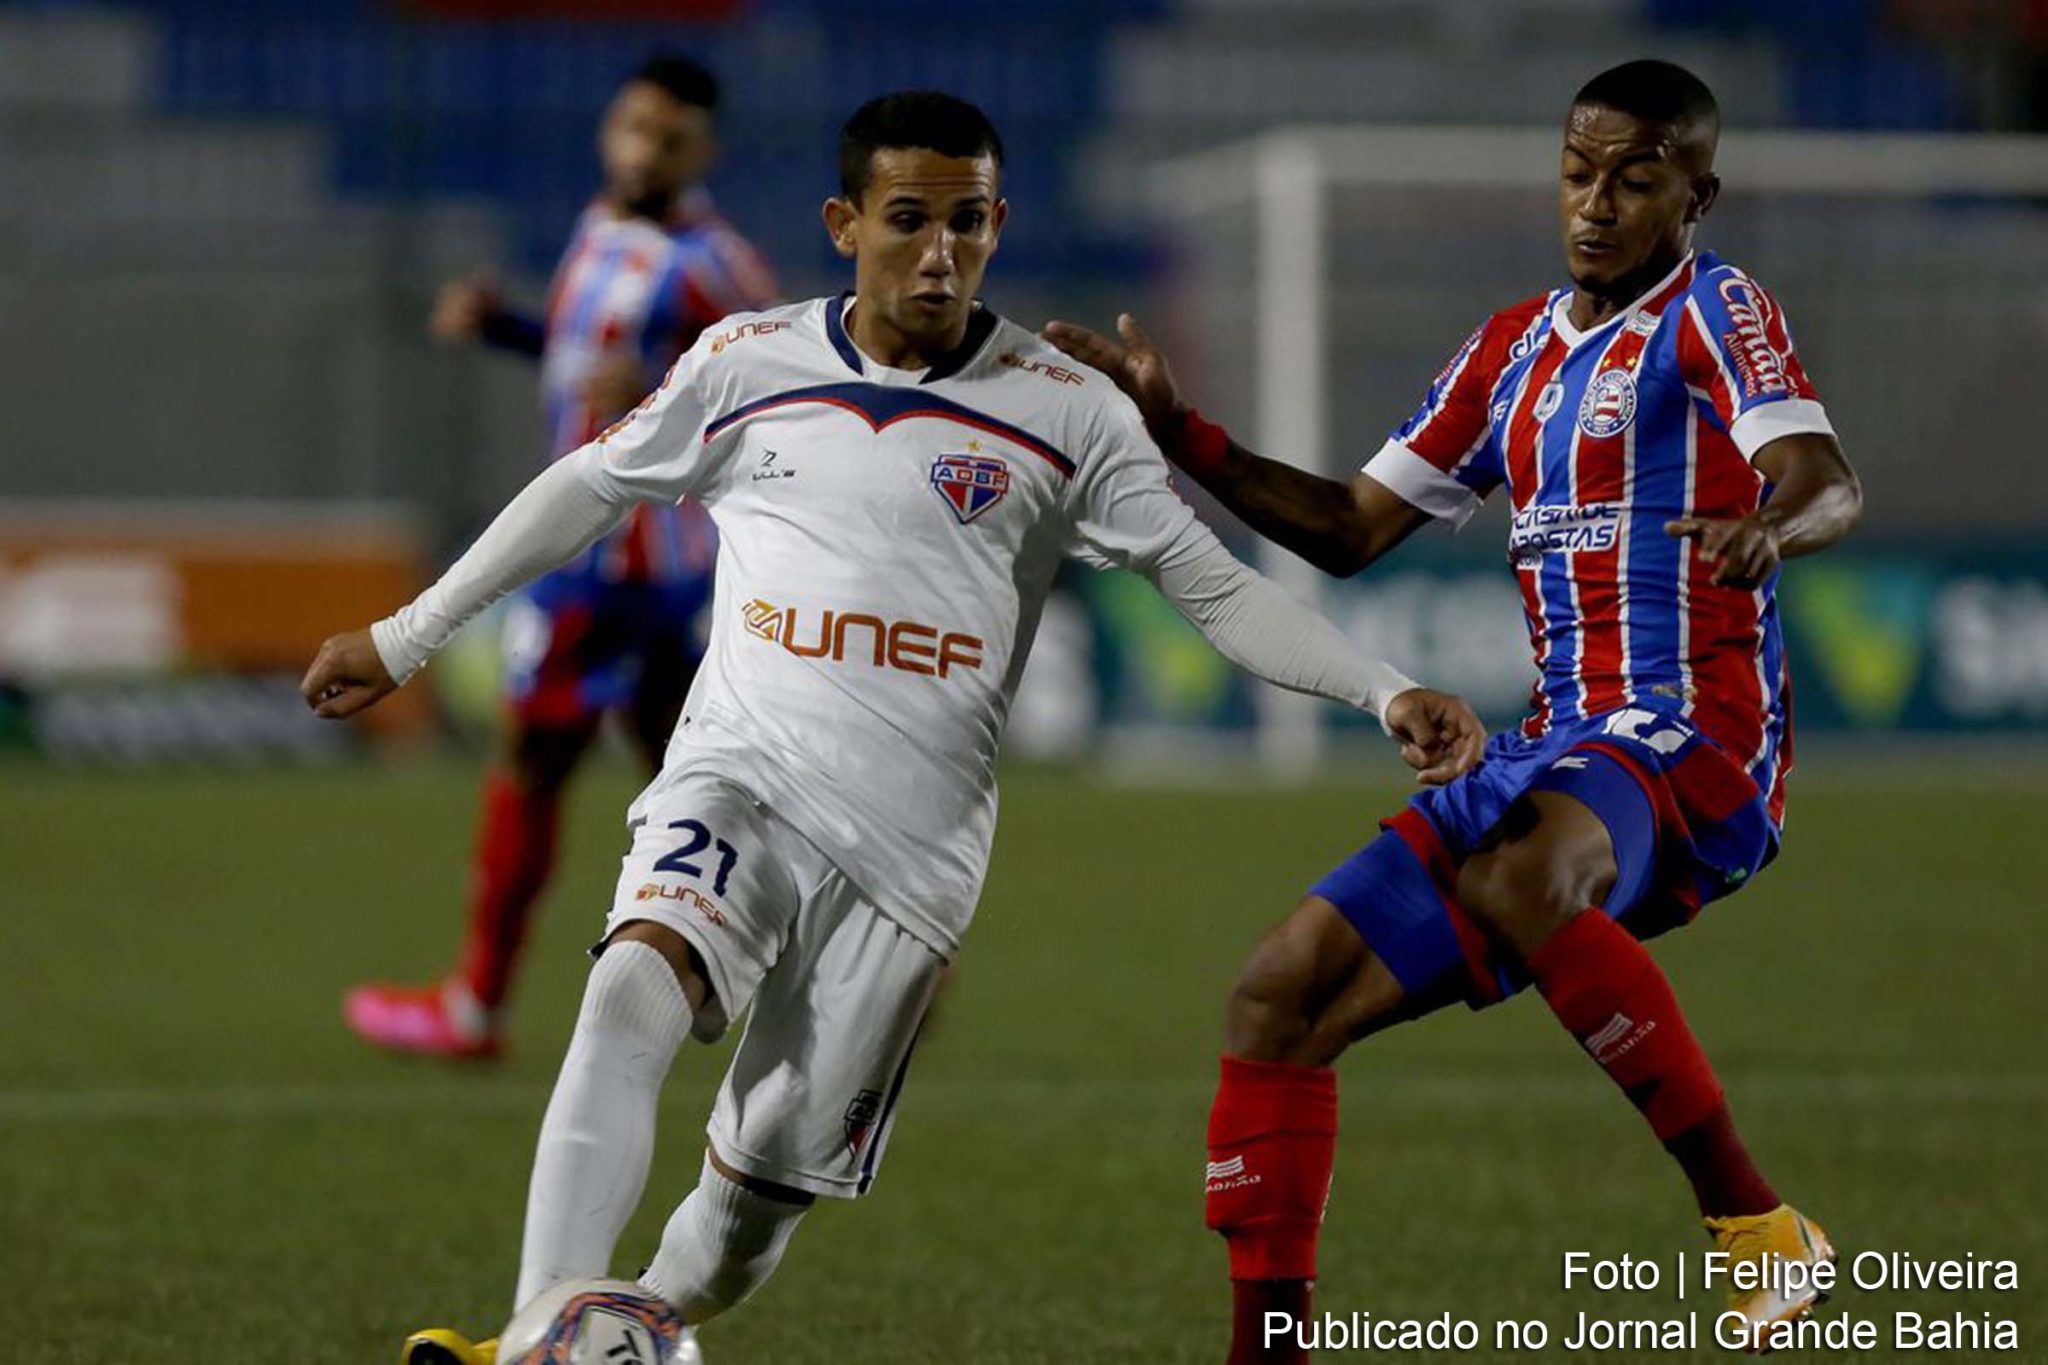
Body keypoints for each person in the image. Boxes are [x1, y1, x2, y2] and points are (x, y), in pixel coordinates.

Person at [300, 90, 1485, 1364]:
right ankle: (537, 1331)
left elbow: (1210, 585)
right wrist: (404, 636)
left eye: (967, 223)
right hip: (739, 775)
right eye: (908, 219)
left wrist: (1378, 688)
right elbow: (585, 488)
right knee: (631, 983)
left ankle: (623, 1322)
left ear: (996, 225)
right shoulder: (745, 360)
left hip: (909, 862)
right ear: (843, 222)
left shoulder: (1065, 407)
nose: (939, 252)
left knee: (748, 1214)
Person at [1046, 58, 1863, 1363]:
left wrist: (1775, 527)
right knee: (1279, 996)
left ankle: (1756, 1226)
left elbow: (1826, 478)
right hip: (1560, 740)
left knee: (1519, 875)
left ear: (1694, 192)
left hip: (1691, 736)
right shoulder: (1512, 349)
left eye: (1635, 177)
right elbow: (1350, 526)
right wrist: (1179, 435)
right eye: (1578, 170)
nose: (1596, 202)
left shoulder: (1717, 310)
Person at [345, 53, 776, 1060]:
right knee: (698, 781)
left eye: (669, 139)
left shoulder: (718, 265)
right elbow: (580, 362)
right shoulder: (596, 231)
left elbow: (775, 396)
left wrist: (669, 378)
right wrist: (504, 326)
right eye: (634, 127)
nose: (645, 149)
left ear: (701, 151)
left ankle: (474, 1008)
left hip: (632, 565)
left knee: (543, 767)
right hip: (611, 561)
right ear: (608, 129)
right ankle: (833, 968)